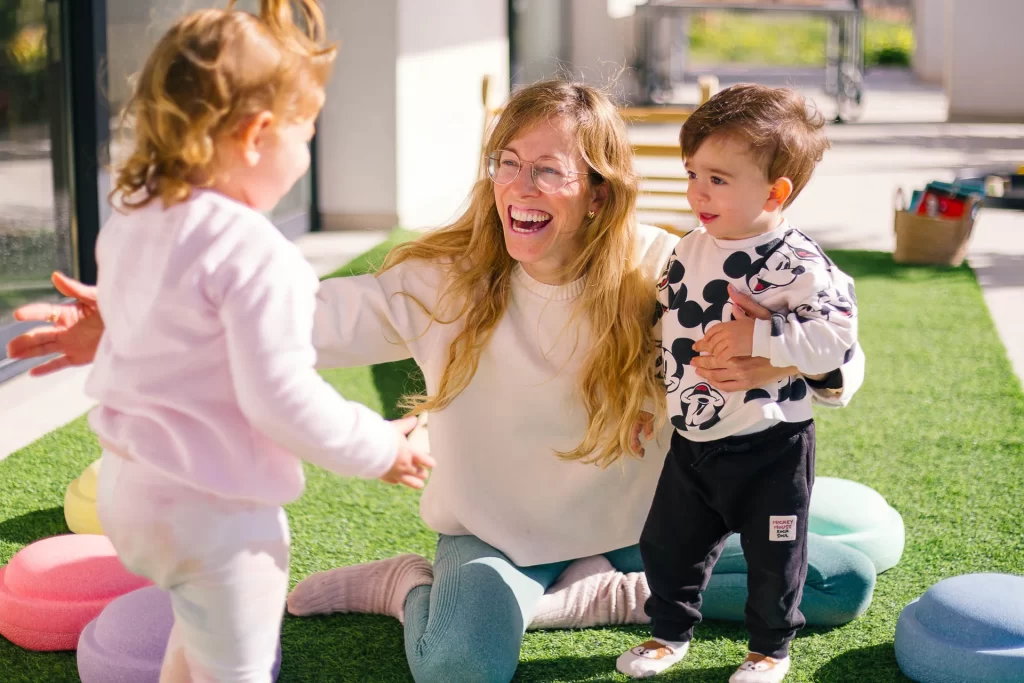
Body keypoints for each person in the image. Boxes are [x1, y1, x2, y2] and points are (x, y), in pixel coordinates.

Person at [7, 80, 869, 683]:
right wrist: (129, 319)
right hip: (492, 534)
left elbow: (846, 356)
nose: (518, 186)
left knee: (832, 585)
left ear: (598, 195)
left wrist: (780, 357)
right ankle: (408, 584)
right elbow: (291, 317)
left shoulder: (663, 263)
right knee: (460, 664)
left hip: (640, 531)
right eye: (508, 160)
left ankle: (591, 592)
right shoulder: (442, 281)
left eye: (547, 169)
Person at [61, 2, 434, 681]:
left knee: (194, 642)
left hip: (130, 494)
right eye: (308, 132)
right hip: (216, 516)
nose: (308, 151)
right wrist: (382, 446)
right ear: (259, 133)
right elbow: (281, 397)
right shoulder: (258, 253)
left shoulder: (135, 216)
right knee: (236, 667)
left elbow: (155, 325)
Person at [616, 84, 858, 683]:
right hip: (693, 441)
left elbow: (835, 341)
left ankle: (770, 649)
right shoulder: (688, 251)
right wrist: (649, 400)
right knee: (668, 544)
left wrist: (765, 343)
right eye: (692, 172)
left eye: (718, 179)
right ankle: (669, 632)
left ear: (775, 192)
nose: (697, 190)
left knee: (775, 558)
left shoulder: (798, 263)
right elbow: (663, 332)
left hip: (770, 446)